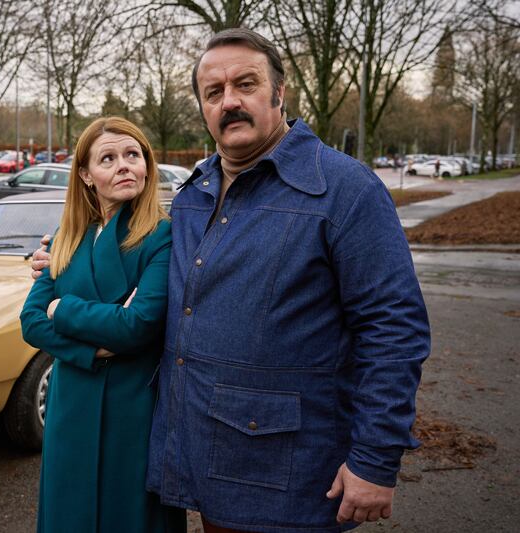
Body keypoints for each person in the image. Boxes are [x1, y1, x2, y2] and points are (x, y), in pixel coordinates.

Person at [33, 28, 429, 533]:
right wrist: (56, 262)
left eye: (246, 84)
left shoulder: (345, 189)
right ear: (202, 106)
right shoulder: (195, 193)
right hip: (203, 466)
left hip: (290, 476)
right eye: (214, 92)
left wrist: (375, 458)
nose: (230, 101)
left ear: (279, 93)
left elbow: (394, 331)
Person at [20, 117, 185, 533]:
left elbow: (135, 326)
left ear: (147, 164)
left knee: (129, 516)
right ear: (86, 175)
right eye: (107, 158)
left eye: (133, 155)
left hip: (135, 407)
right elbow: (30, 322)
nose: (124, 165)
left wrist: (63, 308)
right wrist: (93, 349)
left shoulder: (163, 235)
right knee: (68, 512)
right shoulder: (67, 235)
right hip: (70, 404)